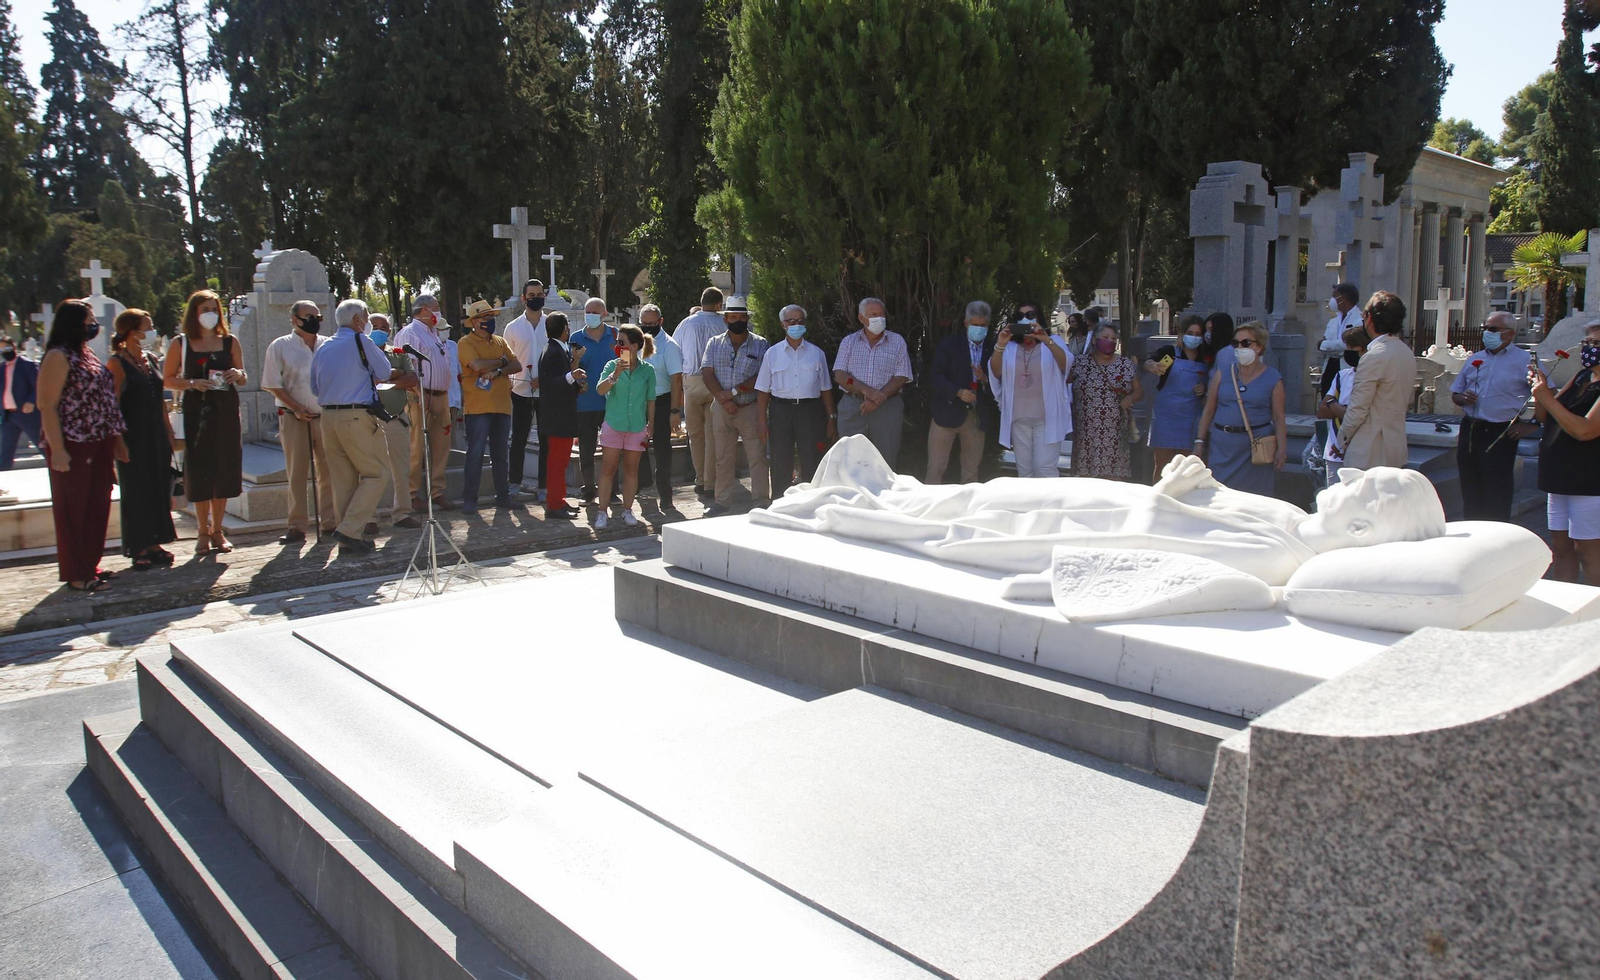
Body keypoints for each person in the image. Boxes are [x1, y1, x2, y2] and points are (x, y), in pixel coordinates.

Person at [310, 299, 418, 554]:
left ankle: (350, 536)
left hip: (328, 417)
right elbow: (382, 371)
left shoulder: (324, 346)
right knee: (377, 473)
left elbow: (315, 387)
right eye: (366, 316)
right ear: (357, 320)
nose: (368, 322)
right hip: (356, 416)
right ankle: (348, 530)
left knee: (343, 479)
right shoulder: (362, 341)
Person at [37, 300, 127, 590]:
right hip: (72, 443)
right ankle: (77, 573)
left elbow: (105, 400)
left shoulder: (85, 354)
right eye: (88, 318)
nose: (93, 323)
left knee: (96, 505)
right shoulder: (58, 356)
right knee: (74, 508)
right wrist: (58, 449)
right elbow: (47, 405)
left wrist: (116, 441)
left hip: (99, 440)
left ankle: (90, 563)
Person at [163, 289, 246, 555]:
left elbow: (243, 376)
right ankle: (201, 531)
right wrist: (191, 383)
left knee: (223, 468)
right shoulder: (181, 342)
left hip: (225, 410)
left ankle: (218, 530)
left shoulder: (230, 341)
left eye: (214, 309)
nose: (210, 314)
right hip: (197, 411)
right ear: (194, 313)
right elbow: (168, 379)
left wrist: (237, 373)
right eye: (204, 310)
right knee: (200, 470)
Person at [105, 310, 176, 570]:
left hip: (155, 432)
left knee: (158, 484)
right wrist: (118, 441)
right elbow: (111, 404)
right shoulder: (116, 363)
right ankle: (139, 545)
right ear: (133, 330)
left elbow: (160, 401)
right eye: (148, 325)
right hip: (132, 434)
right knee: (137, 489)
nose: (152, 329)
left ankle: (157, 541)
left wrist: (168, 432)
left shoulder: (152, 359)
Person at [261, 301, 336, 544]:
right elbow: (272, 383)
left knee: (329, 471)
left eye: (317, 316)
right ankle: (296, 525)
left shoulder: (328, 344)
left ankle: (330, 521)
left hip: (325, 416)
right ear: (294, 319)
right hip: (294, 417)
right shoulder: (280, 346)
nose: (314, 320)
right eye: (308, 316)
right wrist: (296, 407)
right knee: (297, 472)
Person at [1531, 322, 1600, 584]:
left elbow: (1586, 430)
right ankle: (1566, 607)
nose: (1589, 349)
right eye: (1588, 343)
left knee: (1589, 552)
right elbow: (1545, 415)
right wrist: (1541, 391)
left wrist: (1547, 399)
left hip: (1589, 482)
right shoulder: (1583, 376)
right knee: (1560, 548)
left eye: (1596, 344)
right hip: (1559, 478)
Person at [1450, 312, 1534, 522]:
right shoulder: (1474, 359)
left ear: (1510, 334)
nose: (1487, 333)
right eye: (1485, 328)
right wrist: (1463, 398)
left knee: (1496, 490)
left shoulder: (1525, 360)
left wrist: (1533, 424)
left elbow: (1545, 393)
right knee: (1471, 486)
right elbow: (1455, 394)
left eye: (1493, 329)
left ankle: (1497, 535)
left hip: (1501, 430)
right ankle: (1473, 533)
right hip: (1472, 428)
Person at [1195, 321, 1287, 494]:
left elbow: (1279, 417)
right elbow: (1209, 409)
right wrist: (1199, 441)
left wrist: (1282, 449)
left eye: (1246, 343)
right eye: (1235, 343)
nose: (1240, 348)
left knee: (1254, 498)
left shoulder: (1273, 378)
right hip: (1223, 446)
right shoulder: (1223, 372)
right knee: (1218, 495)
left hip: (1255, 447)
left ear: (1259, 347)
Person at [757, 304, 837, 497]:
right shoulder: (772, 353)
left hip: (810, 411)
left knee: (811, 459)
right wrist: (761, 421)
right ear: (783, 324)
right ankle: (778, 502)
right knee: (780, 459)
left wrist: (831, 418)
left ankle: (812, 502)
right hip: (781, 411)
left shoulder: (816, 353)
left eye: (800, 321)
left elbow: (826, 389)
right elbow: (762, 390)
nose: (796, 325)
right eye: (792, 321)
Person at [702, 297, 771, 516]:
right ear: (725, 319)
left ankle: (761, 501)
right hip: (722, 409)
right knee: (722, 457)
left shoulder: (761, 344)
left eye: (742, 316)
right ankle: (722, 501)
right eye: (733, 317)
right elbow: (707, 372)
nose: (738, 320)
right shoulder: (714, 343)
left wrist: (732, 393)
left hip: (750, 407)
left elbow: (762, 377)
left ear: (748, 318)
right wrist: (723, 399)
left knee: (757, 456)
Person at [989, 301, 1072, 478]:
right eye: (1020, 316)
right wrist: (1000, 344)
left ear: (1039, 317)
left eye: (1030, 315)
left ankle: (1048, 505)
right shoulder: (1009, 347)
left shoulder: (1053, 342)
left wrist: (1044, 338)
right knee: (1024, 471)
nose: (1025, 319)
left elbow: (1067, 366)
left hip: (1047, 419)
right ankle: (1027, 505)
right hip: (1019, 419)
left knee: (1044, 468)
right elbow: (995, 373)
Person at [1335, 291, 1414, 471]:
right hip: (1395, 445)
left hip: (1369, 450)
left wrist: (1342, 439)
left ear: (1369, 318)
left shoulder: (1374, 356)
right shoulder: (1406, 352)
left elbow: (1357, 409)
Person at [833, 296, 914, 468]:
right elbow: (840, 374)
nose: (879, 318)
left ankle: (884, 494)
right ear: (861, 318)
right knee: (850, 460)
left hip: (887, 408)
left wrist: (878, 398)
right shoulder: (849, 342)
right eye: (874, 314)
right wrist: (864, 390)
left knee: (885, 460)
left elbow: (901, 376)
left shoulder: (897, 341)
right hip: (853, 406)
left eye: (882, 314)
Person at [392, 294, 454, 511]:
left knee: (441, 446)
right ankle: (411, 493)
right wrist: (418, 394)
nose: (438, 312)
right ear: (425, 310)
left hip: (440, 396)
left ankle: (437, 491)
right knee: (416, 446)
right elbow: (407, 367)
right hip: (419, 396)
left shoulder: (434, 334)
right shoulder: (409, 333)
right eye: (436, 308)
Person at [457, 299, 519, 515]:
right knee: (475, 453)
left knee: (501, 454)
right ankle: (470, 499)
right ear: (474, 322)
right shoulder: (465, 343)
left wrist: (499, 369)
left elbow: (517, 365)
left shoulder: (500, 341)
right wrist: (501, 362)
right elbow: (476, 365)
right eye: (485, 317)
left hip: (502, 406)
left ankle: (503, 496)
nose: (490, 321)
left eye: (492, 317)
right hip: (478, 408)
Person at [927, 301, 998, 484]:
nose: (979, 328)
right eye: (975, 325)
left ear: (988, 325)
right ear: (966, 323)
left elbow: (1001, 385)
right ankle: (929, 506)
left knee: (971, 470)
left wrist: (985, 379)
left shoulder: (993, 348)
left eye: (983, 325)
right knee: (935, 467)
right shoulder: (949, 344)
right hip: (946, 412)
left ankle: (969, 509)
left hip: (976, 415)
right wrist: (957, 392)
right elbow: (935, 376)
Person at [594, 325, 657, 528]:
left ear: (635, 346)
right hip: (614, 423)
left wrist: (651, 427)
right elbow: (599, 390)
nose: (618, 346)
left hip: (637, 426)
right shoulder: (611, 365)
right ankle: (602, 512)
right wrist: (615, 375)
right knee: (608, 468)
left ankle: (627, 510)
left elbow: (651, 400)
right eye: (617, 342)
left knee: (632, 470)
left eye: (622, 342)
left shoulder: (648, 371)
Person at [1068, 323, 1141, 479]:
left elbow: (1139, 391)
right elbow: (1061, 384)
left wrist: (1130, 397)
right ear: (1094, 340)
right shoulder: (1079, 363)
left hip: (1114, 433)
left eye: (1114, 338)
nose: (1110, 341)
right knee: (1086, 478)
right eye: (1105, 337)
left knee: (1113, 479)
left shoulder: (1124, 364)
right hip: (1085, 433)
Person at [1142, 314, 1211, 479]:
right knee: (1162, 465)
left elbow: (1213, 383)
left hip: (1192, 416)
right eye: (1190, 332)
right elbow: (1148, 362)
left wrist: (1204, 388)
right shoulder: (1170, 353)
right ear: (1181, 333)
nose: (1193, 337)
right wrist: (1151, 365)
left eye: (1198, 334)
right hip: (1166, 416)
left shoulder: (1206, 357)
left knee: (1190, 466)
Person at [674, 286, 726, 495]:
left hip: (692, 381)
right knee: (712, 434)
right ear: (719, 305)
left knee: (695, 435)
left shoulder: (687, 323)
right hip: (717, 381)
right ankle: (711, 481)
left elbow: (675, 349)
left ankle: (700, 479)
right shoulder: (723, 322)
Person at [502, 280, 549, 499]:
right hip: (520, 391)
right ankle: (514, 483)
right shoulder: (512, 328)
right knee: (519, 438)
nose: (535, 298)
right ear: (524, 298)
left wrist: (544, 378)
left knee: (545, 439)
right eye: (531, 295)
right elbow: (507, 360)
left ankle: (543, 486)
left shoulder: (551, 325)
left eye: (539, 294)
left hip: (546, 392)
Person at [537, 312, 585, 519]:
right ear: (564, 328)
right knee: (557, 462)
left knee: (561, 460)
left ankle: (559, 499)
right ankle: (554, 504)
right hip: (557, 416)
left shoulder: (556, 348)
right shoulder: (554, 351)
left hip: (559, 415)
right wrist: (571, 376)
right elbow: (552, 383)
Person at [1309, 326, 1369, 488]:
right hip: (1333, 452)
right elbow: (1322, 410)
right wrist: (1345, 410)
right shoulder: (1342, 376)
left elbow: (1361, 415)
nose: (1347, 351)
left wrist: (1334, 406)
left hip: (1358, 451)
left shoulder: (1371, 378)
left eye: (1352, 347)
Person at [570, 298, 618, 502]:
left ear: (604, 314)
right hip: (585, 403)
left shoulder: (615, 335)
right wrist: (577, 359)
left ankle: (612, 490)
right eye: (587, 312)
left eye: (594, 312)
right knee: (586, 450)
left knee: (612, 449)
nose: (590, 315)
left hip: (612, 403)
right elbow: (571, 371)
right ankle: (589, 489)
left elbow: (625, 363)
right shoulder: (576, 337)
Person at [637, 304, 683, 503]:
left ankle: (665, 493)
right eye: (644, 324)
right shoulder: (635, 342)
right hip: (638, 401)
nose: (648, 328)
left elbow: (676, 380)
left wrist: (675, 410)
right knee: (636, 444)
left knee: (663, 448)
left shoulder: (669, 346)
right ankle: (643, 480)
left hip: (662, 401)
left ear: (660, 322)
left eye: (652, 324)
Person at [0, 334, 41, 469]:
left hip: (27, 414)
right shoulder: (1, 368)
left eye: (6, 348)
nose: (4, 352)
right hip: (9, 416)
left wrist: (31, 401)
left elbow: (38, 385)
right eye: (1, 350)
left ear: (13, 347)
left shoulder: (27, 365)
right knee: (5, 452)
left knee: (42, 445)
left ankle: (59, 472)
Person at [1318, 283, 1364, 396]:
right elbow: (1323, 341)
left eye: (1335, 296)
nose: (1332, 300)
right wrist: (1327, 345)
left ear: (1344, 298)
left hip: (1346, 366)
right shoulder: (1333, 320)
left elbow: (1347, 344)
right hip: (1330, 366)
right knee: (1327, 398)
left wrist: (1326, 345)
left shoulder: (1359, 319)